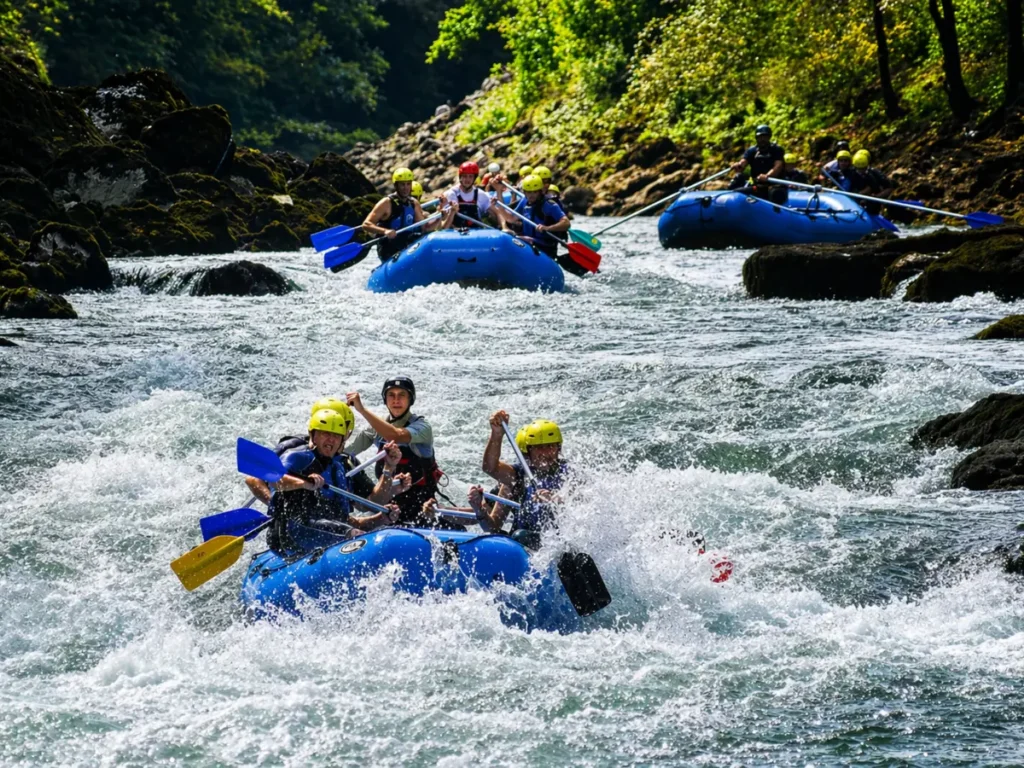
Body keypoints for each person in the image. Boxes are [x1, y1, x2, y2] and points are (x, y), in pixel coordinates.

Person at [266, 408, 407, 552]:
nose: (331, 439)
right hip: (290, 535)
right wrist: (304, 483)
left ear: (342, 441)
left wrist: (380, 518)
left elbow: (346, 521)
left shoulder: (339, 469)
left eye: (336, 436)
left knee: (354, 531)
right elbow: (274, 479)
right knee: (352, 535)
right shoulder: (297, 457)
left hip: (328, 532)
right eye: (325, 433)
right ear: (313, 435)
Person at [346, 376, 450, 527]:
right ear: (385, 399)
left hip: (423, 511)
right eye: (391, 395)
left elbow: (395, 435)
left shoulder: (423, 427)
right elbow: (345, 453)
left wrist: (361, 410)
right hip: (387, 512)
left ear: (410, 399)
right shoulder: (375, 429)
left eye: (402, 395)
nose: (396, 400)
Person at [481, 412, 572, 550]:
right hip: (521, 543)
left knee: (521, 536)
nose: (545, 453)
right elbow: (490, 468)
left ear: (558, 448)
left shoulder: (569, 473)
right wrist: (497, 434)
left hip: (554, 544)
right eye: (539, 448)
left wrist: (555, 499)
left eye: (550, 446)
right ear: (529, 451)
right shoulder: (517, 475)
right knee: (518, 536)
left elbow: (579, 498)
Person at [362, 168, 442, 260]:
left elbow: (424, 228)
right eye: (402, 184)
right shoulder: (386, 203)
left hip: (406, 245)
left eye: (408, 184)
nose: (406, 188)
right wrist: (385, 231)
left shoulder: (413, 203)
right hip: (388, 247)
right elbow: (366, 224)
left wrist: (439, 216)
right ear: (396, 185)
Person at [501, 174, 569, 260]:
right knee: (509, 238)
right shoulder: (524, 201)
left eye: (535, 192)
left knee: (519, 240)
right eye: (529, 192)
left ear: (540, 192)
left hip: (545, 246)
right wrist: (499, 203)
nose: (531, 195)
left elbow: (566, 223)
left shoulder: (549, 205)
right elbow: (511, 219)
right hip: (528, 241)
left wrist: (547, 228)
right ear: (524, 192)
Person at [729, 125, 786, 203]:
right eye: (760, 137)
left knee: (776, 193)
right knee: (738, 178)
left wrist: (767, 176)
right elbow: (743, 163)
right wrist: (738, 165)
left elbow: (778, 166)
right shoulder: (752, 150)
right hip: (755, 183)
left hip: (773, 184)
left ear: (769, 137)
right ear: (756, 138)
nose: (762, 139)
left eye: (765, 137)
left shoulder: (776, 150)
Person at [443, 161, 503, 228]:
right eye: (465, 176)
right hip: (455, 230)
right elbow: (444, 222)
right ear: (460, 177)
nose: (467, 179)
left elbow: (497, 212)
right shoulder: (451, 193)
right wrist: (452, 211)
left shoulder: (480, 194)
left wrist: (504, 227)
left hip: (475, 231)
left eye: (470, 176)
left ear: (474, 178)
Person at [847, 150, 894, 215]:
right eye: (858, 168)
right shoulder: (851, 172)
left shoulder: (874, 173)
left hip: (872, 202)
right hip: (855, 200)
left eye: (863, 168)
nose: (861, 171)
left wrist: (876, 197)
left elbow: (889, 187)